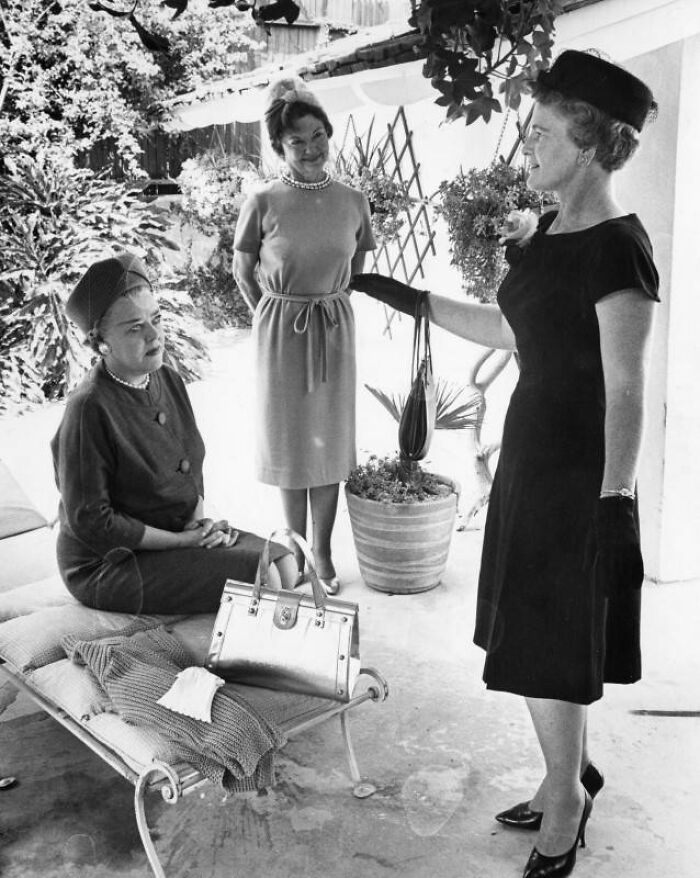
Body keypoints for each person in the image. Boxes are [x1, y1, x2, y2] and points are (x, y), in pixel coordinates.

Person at [352, 50, 658, 878]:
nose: (528, 147)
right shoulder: (553, 230)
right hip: (531, 452)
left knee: (545, 641)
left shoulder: (617, 249)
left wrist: (615, 498)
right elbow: (510, 331)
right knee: (540, 632)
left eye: (545, 134)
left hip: (578, 472)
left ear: (590, 145)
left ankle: (566, 801)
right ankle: (572, 773)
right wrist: (411, 297)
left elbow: (627, 387)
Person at [52, 252, 297, 615]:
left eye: (156, 319)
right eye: (135, 328)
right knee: (263, 579)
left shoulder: (166, 377)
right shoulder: (89, 408)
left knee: (286, 563)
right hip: (108, 563)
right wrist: (182, 542)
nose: (154, 335)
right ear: (101, 342)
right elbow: (92, 521)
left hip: (177, 531)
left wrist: (198, 525)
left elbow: (189, 466)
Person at [233, 77, 376, 595]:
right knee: (292, 444)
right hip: (282, 333)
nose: (311, 149)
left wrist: (329, 302)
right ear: (280, 148)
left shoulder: (353, 200)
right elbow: (241, 266)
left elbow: (356, 264)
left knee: (329, 444)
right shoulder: (263, 199)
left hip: (334, 330)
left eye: (318, 136)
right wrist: (266, 313)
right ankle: (293, 547)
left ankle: (323, 549)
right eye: (298, 141)